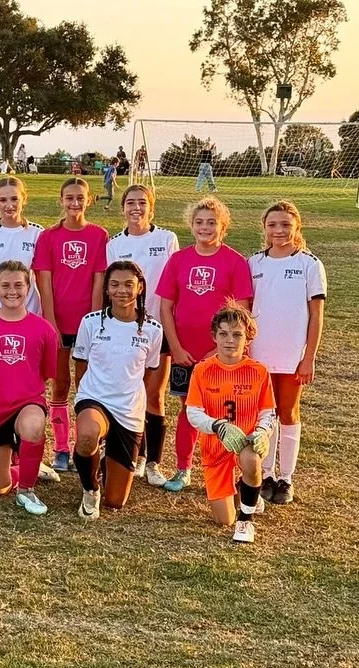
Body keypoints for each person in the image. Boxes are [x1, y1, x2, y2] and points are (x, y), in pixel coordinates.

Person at [156, 197, 253, 491]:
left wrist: (218, 351)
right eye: (199, 222)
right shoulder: (178, 259)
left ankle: (224, 471)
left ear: (223, 226)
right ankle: (183, 468)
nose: (205, 228)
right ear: (191, 225)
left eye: (212, 222)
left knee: (225, 411)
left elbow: (242, 311)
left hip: (222, 355)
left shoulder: (235, 262)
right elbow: (165, 306)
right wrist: (175, 346)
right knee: (189, 410)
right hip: (185, 353)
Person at [70, 261, 163, 519]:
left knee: (116, 501)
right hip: (94, 399)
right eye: (114, 284)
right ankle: (90, 489)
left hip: (128, 410)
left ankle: (102, 464)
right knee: (87, 435)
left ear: (140, 288)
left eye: (128, 285)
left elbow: (148, 370)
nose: (121, 290)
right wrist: (87, 401)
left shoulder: (153, 330)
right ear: (106, 289)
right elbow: (80, 367)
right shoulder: (90, 323)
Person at [249, 201, 326, 505]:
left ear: (297, 228)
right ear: (264, 228)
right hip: (258, 354)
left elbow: (317, 315)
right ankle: (266, 473)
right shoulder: (254, 263)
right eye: (272, 225)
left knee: (288, 412)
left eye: (285, 225)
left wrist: (309, 357)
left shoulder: (309, 264)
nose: (279, 231)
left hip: (292, 354)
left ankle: (286, 478)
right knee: (264, 414)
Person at [0, 260, 58, 515]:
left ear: (29, 288)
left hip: (27, 403)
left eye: (19, 284)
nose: (12, 291)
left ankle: (27, 489)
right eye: (5, 285)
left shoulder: (43, 329)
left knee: (32, 426)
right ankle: (29, 466)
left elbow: (46, 373)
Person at [32, 177, 109, 476]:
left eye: (80, 198)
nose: (74, 203)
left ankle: (83, 447)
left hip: (86, 322)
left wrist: (92, 320)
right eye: (69, 198)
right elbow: (44, 280)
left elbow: (99, 279)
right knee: (60, 383)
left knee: (87, 384)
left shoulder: (99, 235)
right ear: (61, 201)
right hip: (59, 321)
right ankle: (61, 448)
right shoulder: (49, 237)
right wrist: (50, 319)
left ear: (89, 201)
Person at [105, 185, 180, 484]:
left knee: (154, 396)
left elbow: (173, 283)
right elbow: (113, 286)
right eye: (130, 203)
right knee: (127, 393)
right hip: (124, 329)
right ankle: (133, 456)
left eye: (142, 203)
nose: (136, 208)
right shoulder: (113, 243)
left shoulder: (166, 239)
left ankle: (153, 464)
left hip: (158, 327)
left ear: (151, 208)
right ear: (123, 208)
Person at [186, 302, 276, 543]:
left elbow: (269, 412)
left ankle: (246, 522)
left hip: (245, 443)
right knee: (223, 519)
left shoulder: (259, 371)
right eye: (224, 333)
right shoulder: (202, 370)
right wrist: (218, 426)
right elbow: (193, 413)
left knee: (250, 459)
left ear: (248, 339)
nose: (230, 340)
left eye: (237, 334)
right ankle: (247, 489)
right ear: (214, 336)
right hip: (215, 450)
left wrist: (261, 432)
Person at [0, 177, 43, 316]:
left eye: (14, 199)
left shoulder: (37, 233)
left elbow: (42, 278)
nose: (9, 205)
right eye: (3, 200)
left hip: (27, 309)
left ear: (23, 199)